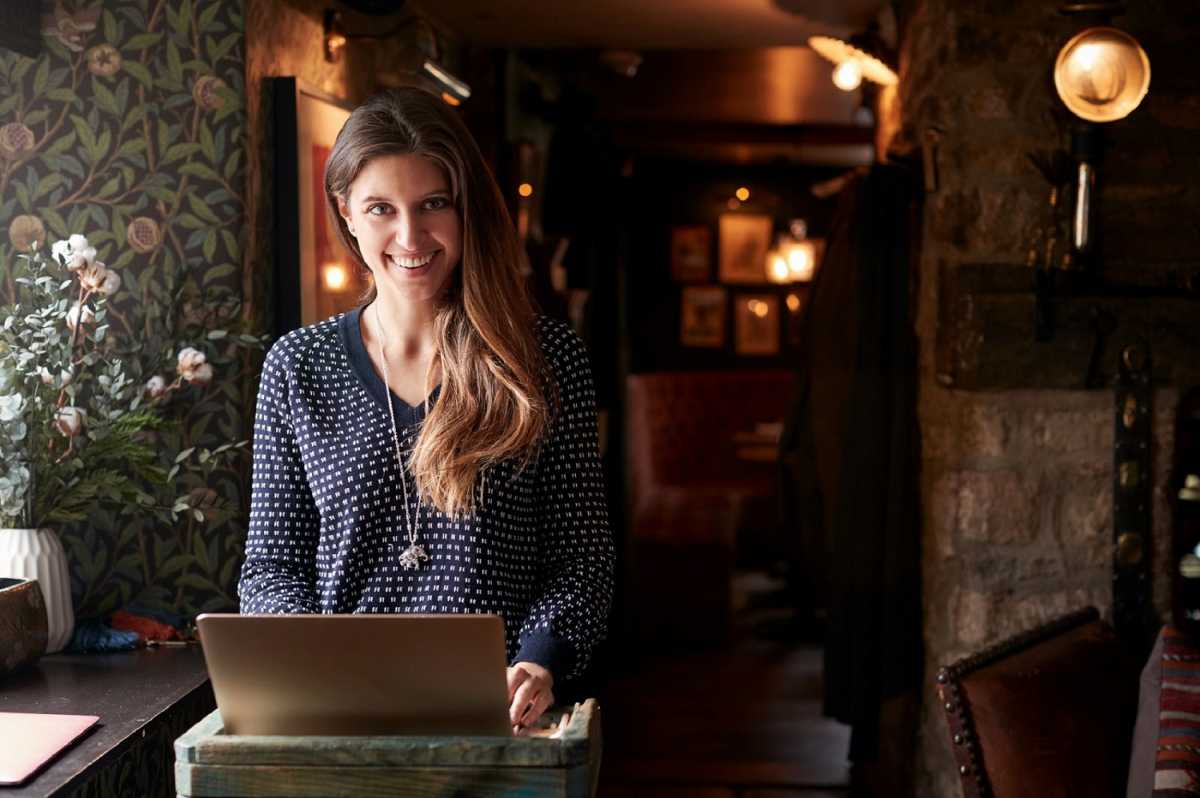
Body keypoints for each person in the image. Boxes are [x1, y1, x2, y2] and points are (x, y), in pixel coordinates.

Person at [238, 86, 615, 733]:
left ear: (466, 210)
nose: (411, 236)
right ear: (347, 214)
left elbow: (582, 558)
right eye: (381, 208)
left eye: (433, 204)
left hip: (501, 721)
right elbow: (271, 565)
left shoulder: (544, 358)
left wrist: (540, 661)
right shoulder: (296, 367)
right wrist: (304, 657)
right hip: (339, 719)